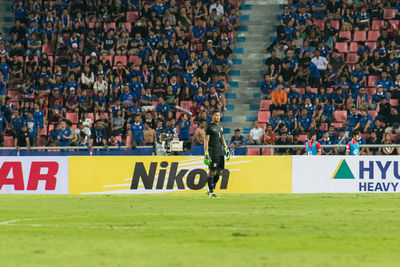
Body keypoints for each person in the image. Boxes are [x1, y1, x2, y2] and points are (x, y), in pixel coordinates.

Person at [204, 111, 230, 198]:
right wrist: (206, 153)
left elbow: (222, 139)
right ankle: (211, 192)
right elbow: (206, 141)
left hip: (220, 152)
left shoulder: (220, 127)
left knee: (220, 171)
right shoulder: (209, 127)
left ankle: (210, 188)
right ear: (212, 116)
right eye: (216, 115)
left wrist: (226, 149)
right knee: (212, 171)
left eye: (219, 115)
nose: (218, 117)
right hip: (213, 152)